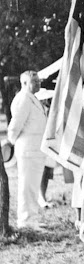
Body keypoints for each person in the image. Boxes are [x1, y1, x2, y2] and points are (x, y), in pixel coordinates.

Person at [7, 70, 47, 229]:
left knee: (32, 187)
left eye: (38, 81)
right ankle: (25, 222)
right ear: (24, 83)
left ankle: (32, 219)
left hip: (35, 150)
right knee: (27, 187)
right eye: (35, 82)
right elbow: (15, 126)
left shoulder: (32, 98)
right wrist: (13, 142)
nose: (38, 84)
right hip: (28, 150)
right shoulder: (24, 99)